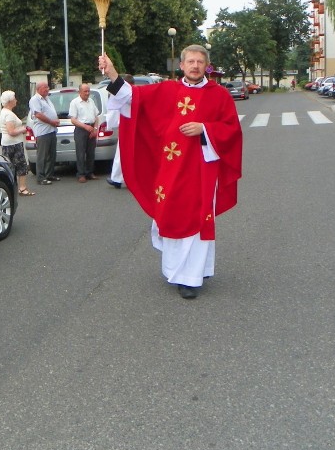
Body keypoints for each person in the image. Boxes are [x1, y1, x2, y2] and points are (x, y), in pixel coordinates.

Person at [99, 45, 243, 299]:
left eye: (200, 62)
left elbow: (232, 130)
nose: (195, 66)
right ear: (181, 65)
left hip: (202, 170)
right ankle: (178, 271)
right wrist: (112, 73)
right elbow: (133, 98)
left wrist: (205, 128)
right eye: (190, 61)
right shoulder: (166, 90)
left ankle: (193, 276)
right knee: (173, 213)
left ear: (206, 66)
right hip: (171, 168)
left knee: (199, 217)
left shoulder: (219, 95)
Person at [0, 90, 34, 196]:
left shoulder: (4, 112)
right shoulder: (9, 114)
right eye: (14, 98)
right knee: (21, 165)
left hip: (6, 143)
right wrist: (23, 129)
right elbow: (11, 131)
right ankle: (22, 188)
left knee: (9, 166)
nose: (16, 100)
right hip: (14, 143)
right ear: (10, 101)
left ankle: (11, 189)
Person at [28, 80, 61, 185]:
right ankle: (41, 177)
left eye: (48, 87)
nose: (47, 89)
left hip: (51, 130)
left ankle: (49, 174)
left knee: (52, 154)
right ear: (38, 89)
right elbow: (38, 114)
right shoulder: (35, 100)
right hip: (43, 132)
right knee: (42, 155)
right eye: (45, 87)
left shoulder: (47, 98)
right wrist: (51, 122)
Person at [68, 83, 101, 183]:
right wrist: (85, 126)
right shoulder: (75, 102)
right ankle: (81, 174)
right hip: (81, 129)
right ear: (80, 92)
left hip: (91, 127)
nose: (87, 93)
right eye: (85, 91)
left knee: (91, 152)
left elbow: (96, 116)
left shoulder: (91, 101)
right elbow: (73, 120)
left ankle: (89, 172)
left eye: (88, 91)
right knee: (81, 153)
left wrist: (95, 128)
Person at [106, 74, 133, 189]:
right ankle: (119, 178)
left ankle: (117, 179)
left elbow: (113, 110)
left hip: (127, 127)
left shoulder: (125, 95)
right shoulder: (136, 92)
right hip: (134, 126)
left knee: (121, 154)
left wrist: (109, 125)